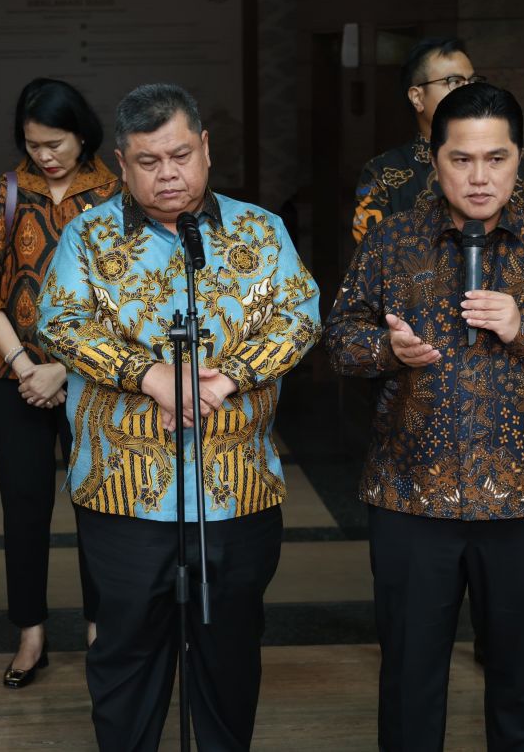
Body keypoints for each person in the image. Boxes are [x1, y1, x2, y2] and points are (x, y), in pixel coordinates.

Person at [324, 82, 524, 750]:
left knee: (520, 677)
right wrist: (389, 349)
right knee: (408, 676)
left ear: (520, 157)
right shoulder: (392, 241)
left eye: (497, 158)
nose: (480, 176)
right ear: (434, 159)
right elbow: (339, 338)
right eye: (462, 159)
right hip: (410, 497)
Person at [38, 83, 320, 751]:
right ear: (121, 163)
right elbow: (60, 322)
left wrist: (231, 376)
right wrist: (151, 375)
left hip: (237, 490)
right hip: (123, 495)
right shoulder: (89, 235)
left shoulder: (260, 229)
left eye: (181, 154)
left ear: (205, 148)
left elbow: (301, 316)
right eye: (148, 161)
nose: (169, 174)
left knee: (229, 657)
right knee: (127, 657)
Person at [0, 77, 117, 687]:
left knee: (99, 504)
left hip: (96, 377)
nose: (45, 156)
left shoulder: (116, 192)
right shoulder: (9, 190)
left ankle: (102, 629)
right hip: (13, 377)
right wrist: (27, 367)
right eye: (33, 144)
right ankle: (31, 635)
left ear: (82, 133)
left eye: (55, 143)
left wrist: (66, 368)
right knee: (23, 508)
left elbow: (127, 297)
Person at [351, 36, 524, 245]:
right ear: (417, 97)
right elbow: (372, 259)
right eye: (454, 82)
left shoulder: (517, 168)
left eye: (472, 81)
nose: (468, 89)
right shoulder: (383, 172)